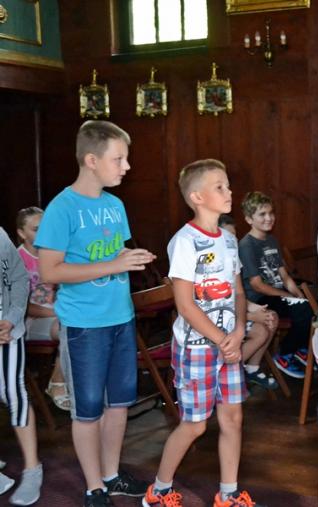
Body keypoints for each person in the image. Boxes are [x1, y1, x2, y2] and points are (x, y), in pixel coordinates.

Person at [35, 120, 155, 507]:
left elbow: (112, 254)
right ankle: (93, 488)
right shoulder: (62, 208)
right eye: (118, 159)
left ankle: (111, 475)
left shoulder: (115, 206)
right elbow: (50, 271)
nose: (126, 167)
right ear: (91, 160)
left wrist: (130, 257)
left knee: (119, 404)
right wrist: (114, 265)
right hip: (84, 325)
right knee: (87, 410)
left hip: (121, 317)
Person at [142, 159, 258, 507]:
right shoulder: (185, 242)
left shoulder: (229, 240)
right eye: (219, 187)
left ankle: (229, 494)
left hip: (229, 344)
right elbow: (185, 304)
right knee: (195, 425)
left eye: (228, 184)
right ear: (197, 197)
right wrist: (222, 340)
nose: (229, 191)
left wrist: (239, 329)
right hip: (197, 348)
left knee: (233, 418)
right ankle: (159, 490)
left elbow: (239, 292)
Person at [238, 191, 312, 379]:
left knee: (312, 303)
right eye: (262, 214)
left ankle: (302, 348)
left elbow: (284, 275)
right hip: (261, 299)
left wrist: (296, 292)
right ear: (249, 219)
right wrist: (288, 296)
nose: (269, 218)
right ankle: (285, 354)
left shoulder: (272, 240)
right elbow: (257, 285)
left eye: (271, 213)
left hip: (278, 294)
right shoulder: (247, 245)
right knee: (302, 310)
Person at [0, 226, 43, 506]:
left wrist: (12, 318)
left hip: (5, 328)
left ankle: (32, 468)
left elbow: (18, 277)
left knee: (13, 393)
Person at [16, 206, 69, 411]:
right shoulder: (16, 260)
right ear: (22, 233)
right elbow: (20, 307)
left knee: (81, 323)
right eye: (36, 229)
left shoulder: (54, 255)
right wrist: (56, 312)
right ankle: (58, 382)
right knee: (69, 325)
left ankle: (68, 381)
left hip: (58, 316)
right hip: (30, 322)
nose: (44, 232)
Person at [218, 212, 279, 390]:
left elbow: (238, 296)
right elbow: (220, 305)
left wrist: (257, 309)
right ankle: (224, 372)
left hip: (235, 314)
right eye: (227, 236)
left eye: (234, 236)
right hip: (219, 321)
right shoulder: (214, 265)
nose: (232, 240)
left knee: (271, 316)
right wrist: (251, 317)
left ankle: (251, 368)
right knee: (260, 332)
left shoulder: (232, 260)